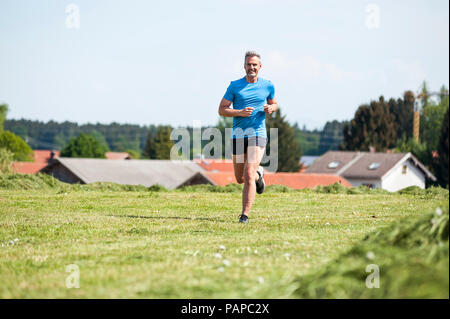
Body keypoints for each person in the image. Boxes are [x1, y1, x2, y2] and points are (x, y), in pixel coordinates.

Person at [218, 51, 278, 223]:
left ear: (260, 66)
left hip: (258, 134)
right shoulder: (234, 86)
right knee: (240, 178)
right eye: (248, 64)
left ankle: (244, 215)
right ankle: (260, 175)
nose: (251, 67)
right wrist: (239, 112)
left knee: (248, 173)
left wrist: (271, 109)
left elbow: (274, 104)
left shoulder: (268, 85)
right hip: (238, 135)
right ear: (244, 66)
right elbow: (222, 109)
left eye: (254, 64)